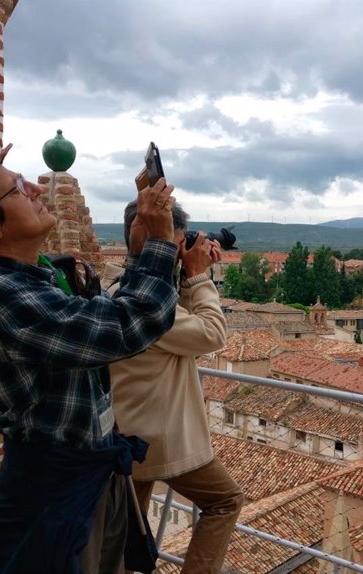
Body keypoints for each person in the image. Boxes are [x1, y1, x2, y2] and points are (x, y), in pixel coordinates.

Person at [0, 145, 180, 574]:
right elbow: (126, 327)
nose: (32, 187)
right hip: (52, 492)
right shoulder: (6, 297)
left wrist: (138, 252)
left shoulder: (39, 277)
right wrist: (161, 241)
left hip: (86, 474)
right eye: (15, 190)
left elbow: (100, 326)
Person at [105, 200, 244, 574]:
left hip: (128, 432)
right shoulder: (141, 303)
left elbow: (174, 322)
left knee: (125, 532)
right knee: (226, 500)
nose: (176, 254)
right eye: (173, 244)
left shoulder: (119, 287)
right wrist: (199, 277)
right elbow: (211, 333)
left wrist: (185, 278)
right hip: (157, 438)